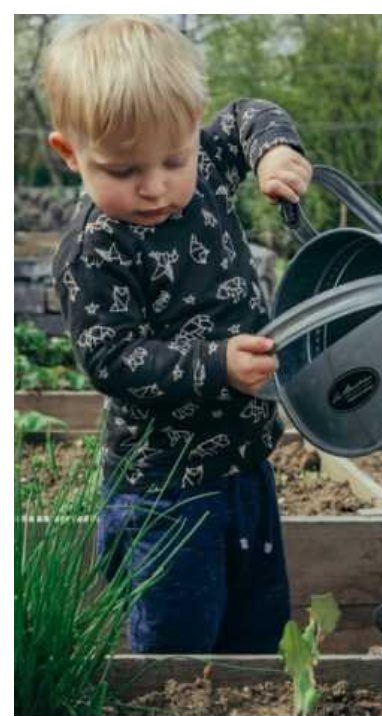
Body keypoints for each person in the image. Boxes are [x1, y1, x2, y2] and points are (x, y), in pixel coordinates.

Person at [45, 15, 312, 653]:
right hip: (164, 488)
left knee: (257, 621)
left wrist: (275, 150)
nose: (155, 185)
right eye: (121, 169)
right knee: (178, 636)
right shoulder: (95, 250)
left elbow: (249, 112)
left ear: (194, 128)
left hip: (247, 463)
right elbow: (112, 358)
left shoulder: (209, 168)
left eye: (174, 158)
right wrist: (215, 365)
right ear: (70, 154)